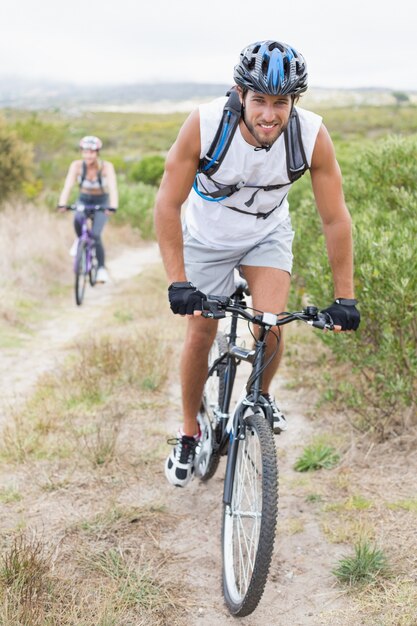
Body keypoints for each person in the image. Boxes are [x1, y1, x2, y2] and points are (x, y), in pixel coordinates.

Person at [154, 40, 360, 488]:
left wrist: (345, 296)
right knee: (201, 330)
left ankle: (261, 399)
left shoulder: (310, 135)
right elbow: (167, 205)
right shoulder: (205, 125)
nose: (270, 114)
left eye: (281, 102)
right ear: (240, 94)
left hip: (266, 233)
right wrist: (178, 283)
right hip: (207, 238)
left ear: (294, 102)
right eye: (260, 100)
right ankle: (189, 430)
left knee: (270, 324)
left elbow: (335, 218)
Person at [58, 135, 118, 283]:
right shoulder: (76, 166)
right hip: (83, 199)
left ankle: (102, 269)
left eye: (91, 152)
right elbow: (68, 186)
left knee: (96, 235)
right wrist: (62, 203)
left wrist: (113, 205)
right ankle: (80, 241)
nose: (88, 155)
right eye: (85, 152)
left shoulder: (106, 167)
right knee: (77, 219)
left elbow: (113, 187)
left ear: (97, 153)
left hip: (102, 201)